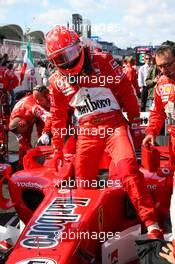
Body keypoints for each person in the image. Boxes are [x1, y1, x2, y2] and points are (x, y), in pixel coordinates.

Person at [45, 25, 163, 239]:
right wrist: (56, 148)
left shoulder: (103, 59)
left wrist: (135, 125)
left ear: (79, 46)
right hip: (87, 132)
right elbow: (57, 116)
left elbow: (126, 91)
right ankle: (89, 230)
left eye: (70, 53)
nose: (67, 61)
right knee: (83, 182)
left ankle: (151, 223)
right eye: (60, 59)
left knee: (128, 171)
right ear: (53, 62)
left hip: (114, 126)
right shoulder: (55, 81)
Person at [9, 85, 51, 167]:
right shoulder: (13, 126)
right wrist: (29, 149)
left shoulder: (33, 106)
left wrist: (46, 132)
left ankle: (45, 161)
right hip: (24, 117)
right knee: (24, 145)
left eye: (24, 130)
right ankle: (22, 165)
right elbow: (21, 139)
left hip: (32, 111)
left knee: (42, 139)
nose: (24, 132)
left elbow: (49, 117)